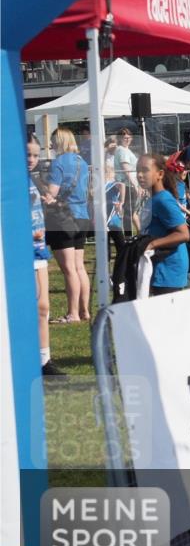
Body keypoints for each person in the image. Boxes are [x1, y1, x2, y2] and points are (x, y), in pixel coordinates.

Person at [46, 128, 91, 324]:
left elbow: (52, 194)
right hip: (82, 216)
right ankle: (84, 311)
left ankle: (72, 313)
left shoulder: (58, 163)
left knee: (68, 269)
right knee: (79, 267)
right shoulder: (83, 162)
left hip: (63, 218)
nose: (51, 145)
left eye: (52, 141)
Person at [27, 136, 63, 376]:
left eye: (36, 155)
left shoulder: (32, 179)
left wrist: (44, 202)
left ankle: (44, 360)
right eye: (27, 154)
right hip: (21, 251)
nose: (31, 160)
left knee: (43, 306)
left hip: (38, 248)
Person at [136, 154, 190, 295]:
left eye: (145, 170)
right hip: (157, 266)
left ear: (160, 174)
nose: (140, 175)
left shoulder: (163, 200)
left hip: (169, 270)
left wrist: (152, 245)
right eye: (137, 171)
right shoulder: (152, 199)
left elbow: (183, 234)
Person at [113, 128, 140, 235]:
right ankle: (128, 237)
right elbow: (126, 170)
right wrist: (136, 186)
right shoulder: (122, 150)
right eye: (125, 137)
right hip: (127, 185)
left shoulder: (126, 150)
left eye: (129, 137)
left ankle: (140, 234)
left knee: (132, 212)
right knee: (128, 213)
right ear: (120, 138)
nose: (127, 139)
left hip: (130, 185)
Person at [105, 164, 126, 257]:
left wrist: (122, 201)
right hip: (105, 219)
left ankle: (123, 263)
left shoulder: (111, 184)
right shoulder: (100, 186)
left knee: (120, 244)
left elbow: (122, 185)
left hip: (113, 219)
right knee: (105, 247)